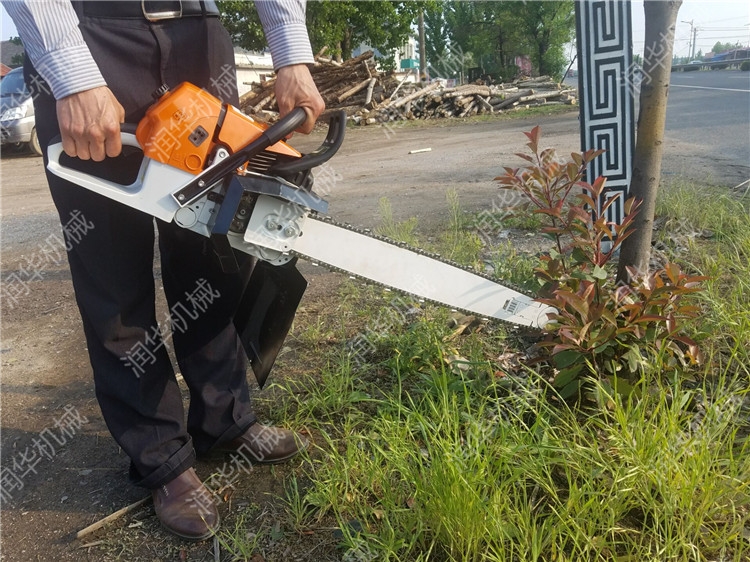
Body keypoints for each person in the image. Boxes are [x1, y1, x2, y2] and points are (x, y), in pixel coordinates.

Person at [2, 0, 325, 541]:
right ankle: (163, 460)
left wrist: (291, 53)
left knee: (215, 261)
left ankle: (225, 419)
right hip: (91, 37)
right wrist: (71, 71)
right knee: (113, 275)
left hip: (201, 37)